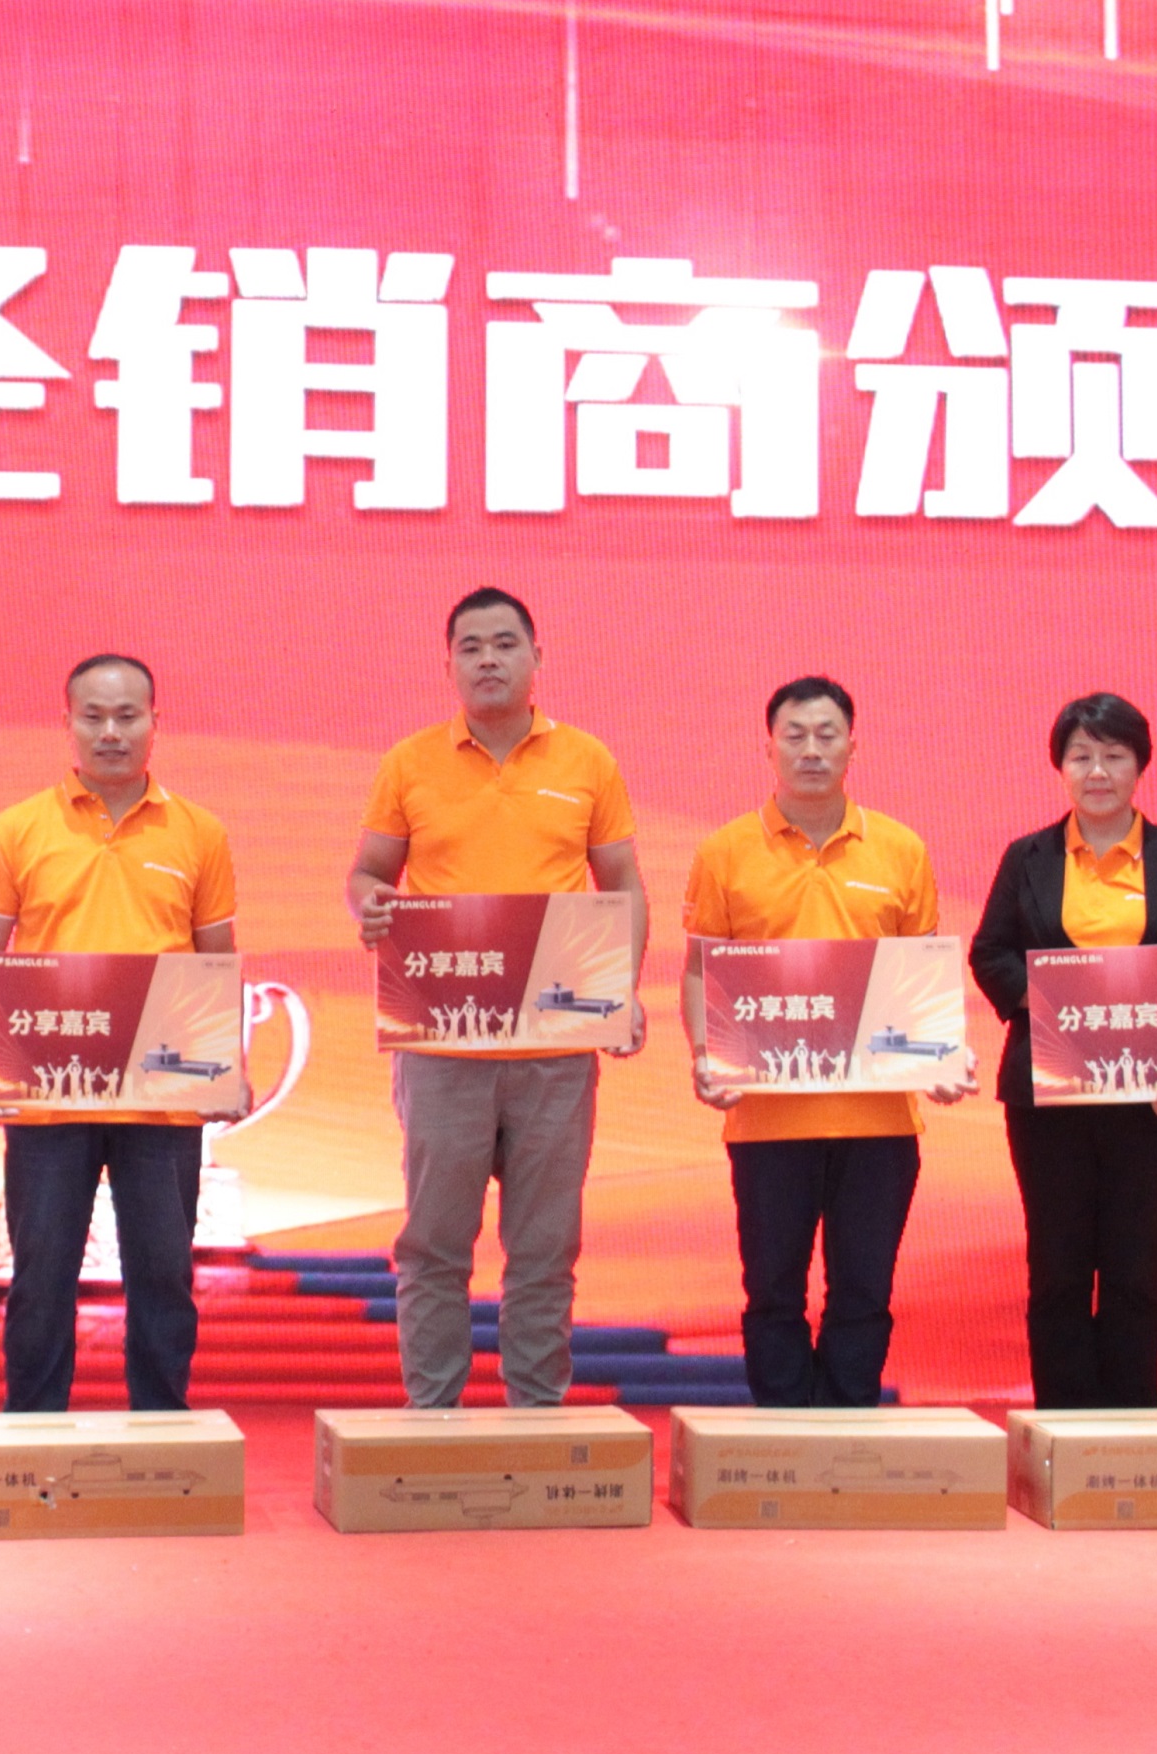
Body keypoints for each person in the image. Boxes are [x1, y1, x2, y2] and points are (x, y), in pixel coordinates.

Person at [345, 586, 646, 1409]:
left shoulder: (588, 761)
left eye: (505, 643)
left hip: (556, 1045)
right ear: (447, 663)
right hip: (443, 1043)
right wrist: (370, 903)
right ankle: (432, 1419)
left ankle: (537, 1418)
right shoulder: (409, 763)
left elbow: (622, 882)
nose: (488, 659)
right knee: (433, 1245)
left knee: (545, 1247)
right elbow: (368, 872)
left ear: (537, 656)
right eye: (471, 645)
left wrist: (621, 988)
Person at [681, 677, 978, 1407]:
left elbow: (921, 977)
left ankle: (848, 1435)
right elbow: (700, 971)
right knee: (772, 1291)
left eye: (826, 735)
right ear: (769, 747)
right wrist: (705, 1055)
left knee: (864, 1291)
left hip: (879, 1121)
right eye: (795, 735)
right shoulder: (724, 851)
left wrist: (944, 1052)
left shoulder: (900, 849)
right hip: (766, 1119)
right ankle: (785, 1434)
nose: (810, 750)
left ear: (852, 746)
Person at [0, 653, 236, 1413]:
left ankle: (162, 1431)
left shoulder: (200, 832)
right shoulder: (19, 828)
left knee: (164, 1276)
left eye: (127, 716)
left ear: (154, 722)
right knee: (41, 1275)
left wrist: (228, 1064)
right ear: (69, 723)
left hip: (162, 1095)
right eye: (94, 716)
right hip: (48, 1093)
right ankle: (34, 1431)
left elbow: (216, 960)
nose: (111, 731)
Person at [970, 692, 1157, 1409]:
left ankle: (1132, 1425)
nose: (1098, 771)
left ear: (1141, 764)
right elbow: (990, 953)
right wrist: (1053, 998)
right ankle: (1062, 1429)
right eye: (1080, 756)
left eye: (1114, 755)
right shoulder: (1027, 858)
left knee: (1136, 1267)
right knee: (1058, 1267)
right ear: (1060, 767)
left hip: (1151, 1100)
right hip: (1049, 1098)